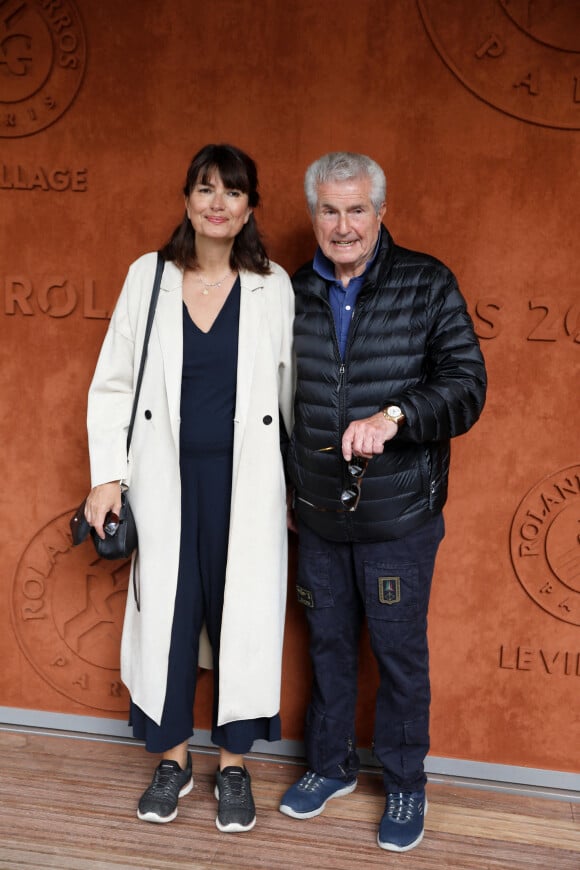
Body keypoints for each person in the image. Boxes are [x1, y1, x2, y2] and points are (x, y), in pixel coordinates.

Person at [279, 152, 486, 852]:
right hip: (317, 515)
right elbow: (274, 403)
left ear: (380, 213)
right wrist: (284, 487)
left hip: (398, 515)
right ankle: (329, 767)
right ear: (314, 215)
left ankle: (405, 782)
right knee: (329, 645)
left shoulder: (427, 283)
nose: (343, 226)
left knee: (398, 653)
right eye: (329, 211)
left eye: (356, 209)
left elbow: (466, 386)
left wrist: (395, 415)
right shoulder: (286, 292)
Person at [84, 144, 294, 833]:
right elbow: (114, 381)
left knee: (244, 617)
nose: (217, 203)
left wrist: (300, 493)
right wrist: (106, 479)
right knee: (171, 624)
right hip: (165, 485)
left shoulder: (273, 285)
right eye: (206, 188)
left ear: (248, 210)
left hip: (250, 486)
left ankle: (233, 768)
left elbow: (296, 396)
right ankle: (173, 760)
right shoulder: (148, 278)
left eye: (232, 193)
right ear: (187, 199)